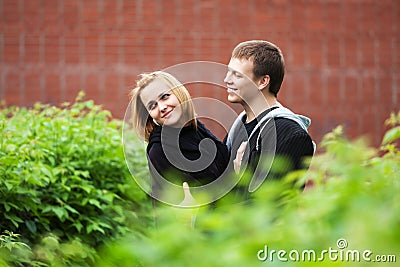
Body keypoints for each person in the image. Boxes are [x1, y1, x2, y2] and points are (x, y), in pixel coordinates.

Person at [224, 40, 315, 198]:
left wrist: (242, 178)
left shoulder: (290, 134)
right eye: (228, 72)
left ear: (263, 82)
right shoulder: (238, 128)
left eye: (237, 75)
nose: (227, 80)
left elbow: (273, 206)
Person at [130, 71, 229, 206]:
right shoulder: (159, 151)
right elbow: (167, 210)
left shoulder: (195, 128)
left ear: (179, 93)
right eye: (152, 105)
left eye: (165, 97)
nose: (162, 107)